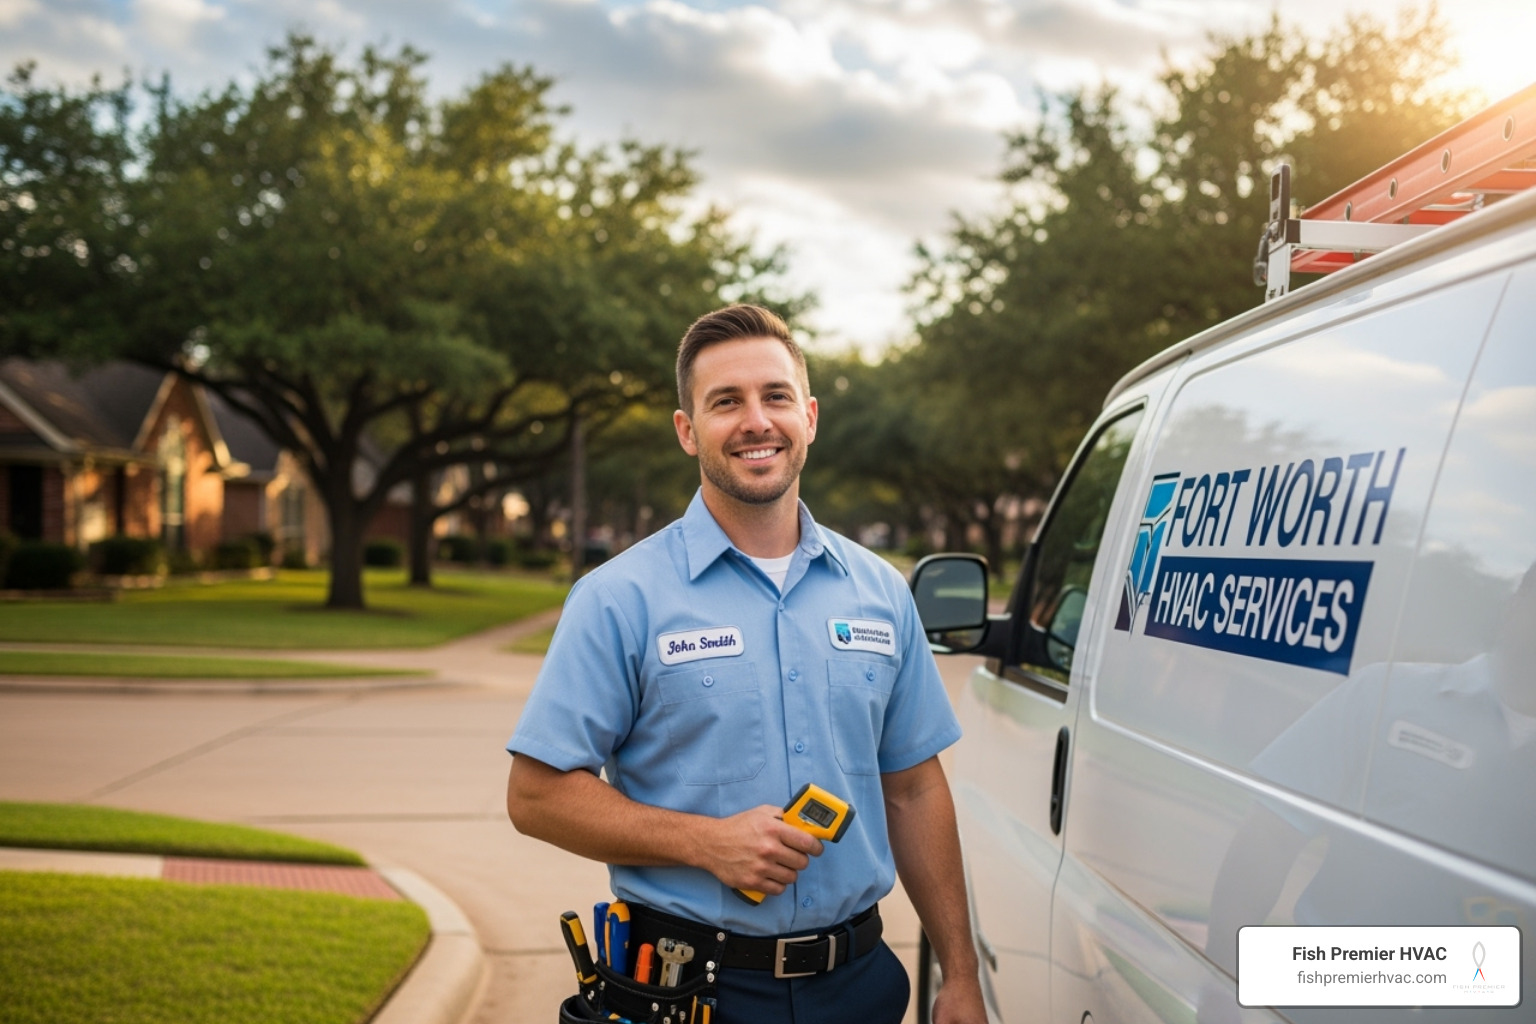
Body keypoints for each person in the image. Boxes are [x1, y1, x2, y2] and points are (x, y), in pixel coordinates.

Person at [506, 304, 986, 1024]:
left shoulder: (881, 592)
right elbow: (535, 795)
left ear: (810, 417)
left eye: (776, 396)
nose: (756, 421)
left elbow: (914, 789)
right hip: (687, 992)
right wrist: (706, 843)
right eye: (725, 402)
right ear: (687, 429)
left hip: (859, 988)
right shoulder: (618, 598)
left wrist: (962, 971)